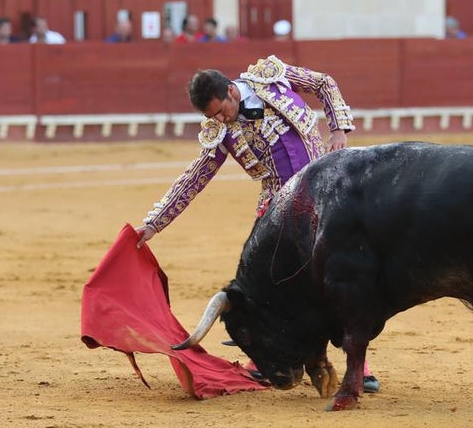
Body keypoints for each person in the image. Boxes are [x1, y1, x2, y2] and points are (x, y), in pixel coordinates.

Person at [130, 56, 377, 393]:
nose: (220, 120)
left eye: (222, 111)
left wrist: (337, 129)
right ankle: (265, 358)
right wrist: (153, 224)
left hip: (325, 200)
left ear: (232, 91)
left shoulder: (271, 78)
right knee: (270, 287)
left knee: (338, 280)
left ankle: (358, 365)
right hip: (278, 214)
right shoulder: (220, 132)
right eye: (213, 117)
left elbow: (323, 83)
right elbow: (193, 179)